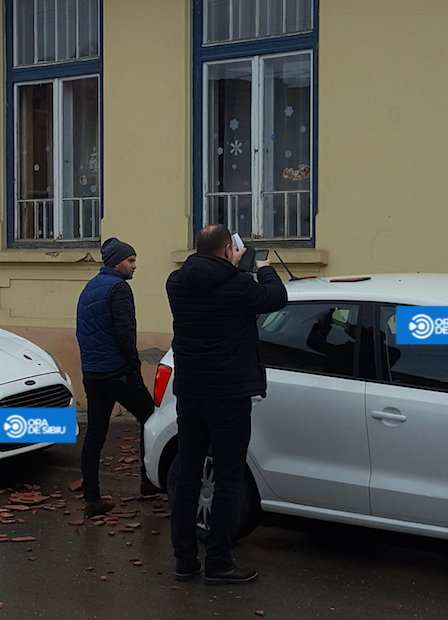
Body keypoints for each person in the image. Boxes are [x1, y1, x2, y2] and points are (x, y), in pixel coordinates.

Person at [165, 224, 288, 586]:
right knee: (227, 480)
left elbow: (211, 287)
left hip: (190, 395)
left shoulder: (176, 282)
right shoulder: (238, 286)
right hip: (229, 399)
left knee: (188, 478)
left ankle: (185, 561)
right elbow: (276, 297)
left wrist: (231, 267)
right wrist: (261, 265)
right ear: (226, 250)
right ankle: (218, 562)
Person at [75, 237, 157, 518]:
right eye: (131, 261)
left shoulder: (90, 288)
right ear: (116, 262)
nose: (135, 266)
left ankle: (92, 498)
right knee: (151, 419)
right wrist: (134, 368)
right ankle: (150, 482)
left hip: (93, 373)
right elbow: (125, 334)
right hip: (117, 372)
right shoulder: (119, 289)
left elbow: (83, 331)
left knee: (95, 435)